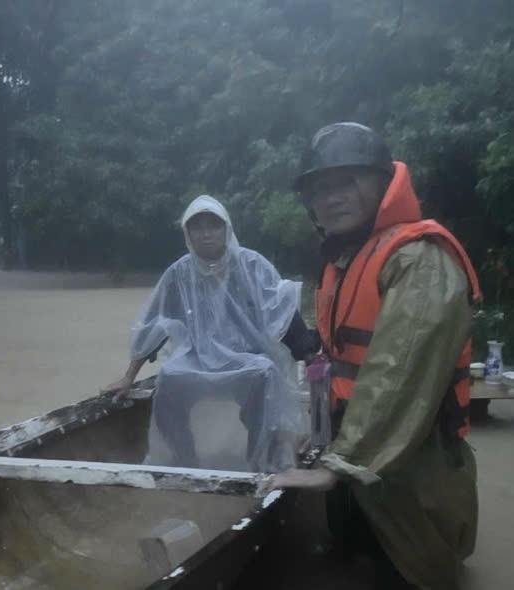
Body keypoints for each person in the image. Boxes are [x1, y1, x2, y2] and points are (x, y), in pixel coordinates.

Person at [271, 122, 480, 590]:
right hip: (352, 445)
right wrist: (320, 432)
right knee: (350, 556)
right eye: (320, 188)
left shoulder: (418, 259)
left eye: (348, 181)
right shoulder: (343, 259)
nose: (332, 197)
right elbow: (334, 360)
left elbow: (398, 375)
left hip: (411, 460)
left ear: (384, 183)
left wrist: (336, 463)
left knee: (411, 570)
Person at [104, 195, 317, 473]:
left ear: (226, 229)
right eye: (197, 227)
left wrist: (310, 356)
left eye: (213, 226)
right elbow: (155, 324)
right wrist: (129, 376)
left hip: (247, 360)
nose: (206, 233)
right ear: (187, 234)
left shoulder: (252, 265)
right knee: (169, 376)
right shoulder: (178, 273)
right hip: (199, 361)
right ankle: (183, 459)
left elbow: (285, 316)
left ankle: (261, 461)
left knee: (265, 373)